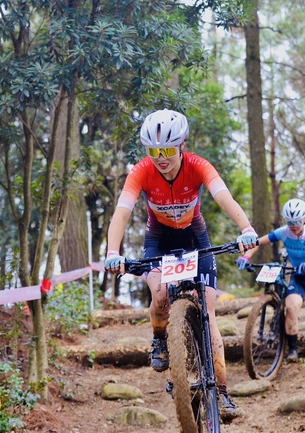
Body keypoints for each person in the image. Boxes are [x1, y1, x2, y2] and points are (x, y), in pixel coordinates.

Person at [104, 109, 258, 420]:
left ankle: (222, 392)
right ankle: (160, 338)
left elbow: (223, 196)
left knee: (209, 316)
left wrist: (246, 228)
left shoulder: (199, 165)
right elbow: (122, 212)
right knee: (160, 294)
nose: (160, 158)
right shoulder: (141, 171)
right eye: (153, 151)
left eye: (167, 151)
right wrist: (112, 251)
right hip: (158, 240)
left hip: (195, 238)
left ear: (182, 145)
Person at [236, 198, 305, 371]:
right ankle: (292, 351)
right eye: (289, 222)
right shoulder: (283, 232)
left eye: (297, 222)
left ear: (304, 219)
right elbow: (258, 242)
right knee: (290, 308)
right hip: (298, 277)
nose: (293, 226)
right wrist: (246, 256)